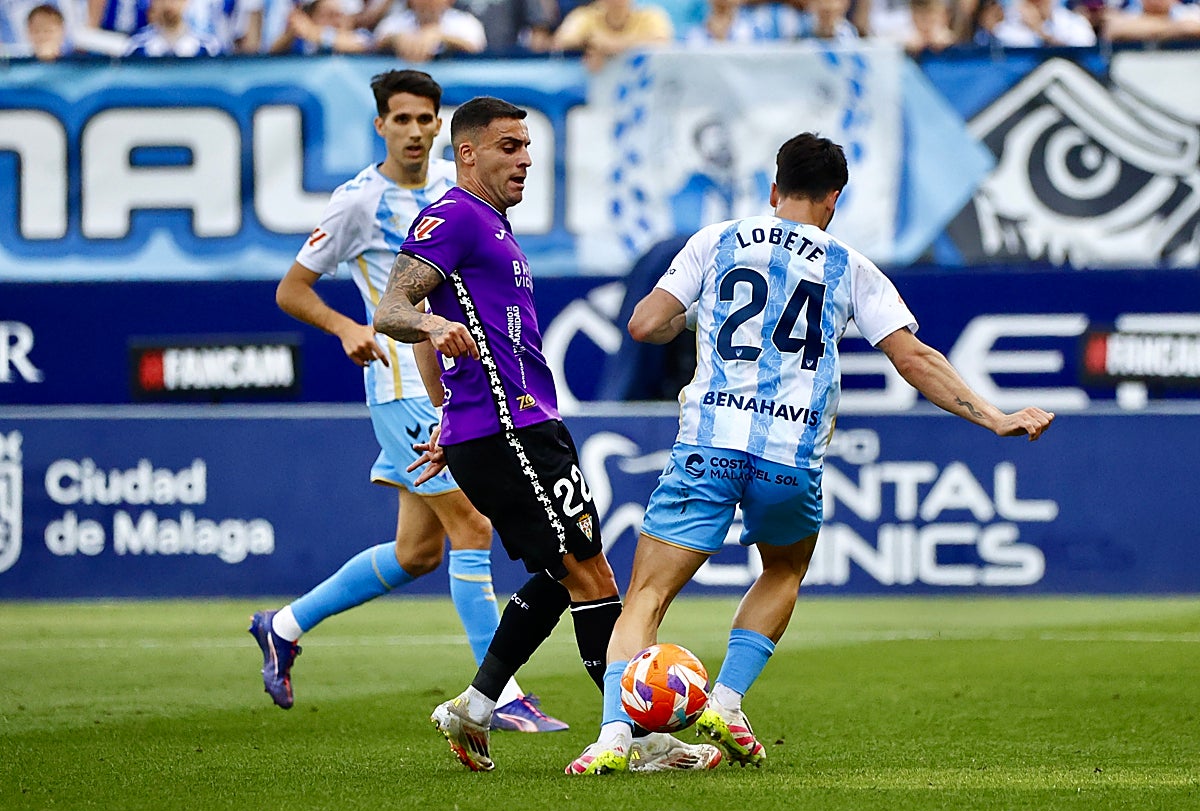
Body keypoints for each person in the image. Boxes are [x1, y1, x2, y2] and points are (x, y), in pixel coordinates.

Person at [565, 132, 1056, 774]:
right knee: (782, 572)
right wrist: (994, 418)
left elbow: (643, 325)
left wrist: (695, 318)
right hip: (789, 455)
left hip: (709, 444)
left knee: (646, 598)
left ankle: (611, 738)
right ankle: (729, 701)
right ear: (833, 201)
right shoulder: (849, 265)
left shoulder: (714, 241)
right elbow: (914, 357)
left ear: (774, 191)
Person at [372, 95, 722, 774]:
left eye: (527, 147)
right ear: (467, 152)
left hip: (513, 425)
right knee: (590, 575)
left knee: (565, 573)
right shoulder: (452, 215)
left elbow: (444, 316)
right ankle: (638, 740)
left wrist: (452, 411)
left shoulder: (491, 225)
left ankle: (476, 706)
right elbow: (395, 307)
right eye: (509, 147)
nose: (525, 159)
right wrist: (437, 343)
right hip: (511, 430)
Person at [249, 71, 568, 736]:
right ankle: (499, 694)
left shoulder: (458, 193)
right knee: (473, 530)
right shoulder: (358, 201)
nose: (416, 131)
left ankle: (282, 625)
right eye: (402, 120)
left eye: (426, 119)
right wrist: (346, 327)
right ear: (381, 127)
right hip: (400, 385)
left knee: (417, 551)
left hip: (455, 388)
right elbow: (292, 288)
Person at [551, 0, 673, 72]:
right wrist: (593, 45)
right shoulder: (586, 16)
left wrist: (614, 46)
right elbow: (561, 40)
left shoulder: (650, 16)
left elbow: (663, 42)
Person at [373, 0, 487, 61]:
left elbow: (477, 46)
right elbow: (373, 44)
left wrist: (440, 37)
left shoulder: (466, 22)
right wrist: (395, 39)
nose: (427, 2)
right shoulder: (394, 23)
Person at [124, 0, 225, 54]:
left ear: (186, 2)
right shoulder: (136, 47)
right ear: (153, 3)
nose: (168, 5)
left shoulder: (209, 48)